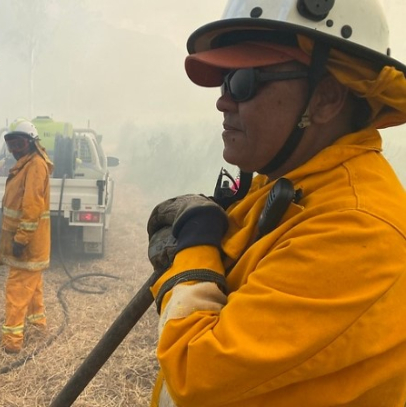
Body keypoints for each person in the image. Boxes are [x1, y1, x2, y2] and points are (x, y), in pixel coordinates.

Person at [146, 0, 406, 405]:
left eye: (245, 81)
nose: (223, 101)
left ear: (325, 99)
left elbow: (195, 372)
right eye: (224, 80)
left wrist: (195, 249)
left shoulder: (356, 228)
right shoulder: (290, 188)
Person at [0, 118, 53, 354]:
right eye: (11, 145)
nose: (14, 151)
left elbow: (31, 207)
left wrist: (21, 239)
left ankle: (12, 342)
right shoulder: (26, 164)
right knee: (33, 285)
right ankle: (38, 326)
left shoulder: (35, 166)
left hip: (28, 242)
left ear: (31, 143)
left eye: (19, 145)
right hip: (30, 241)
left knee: (18, 289)